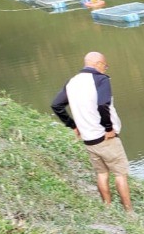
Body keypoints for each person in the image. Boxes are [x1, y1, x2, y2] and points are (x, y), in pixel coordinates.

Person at [50, 51, 132, 212]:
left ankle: (107, 208)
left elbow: (56, 105)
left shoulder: (72, 82)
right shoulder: (101, 80)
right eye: (105, 65)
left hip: (88, 139)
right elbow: (103, 104)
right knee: (120, 174)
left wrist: (72, 125)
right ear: (98, 64)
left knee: (102, 173)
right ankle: (129, 212)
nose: (105, 69)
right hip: (105, 137)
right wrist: (108, 128)